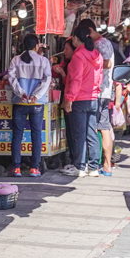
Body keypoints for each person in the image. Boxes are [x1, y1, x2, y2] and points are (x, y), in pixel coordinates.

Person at [7, 34, 52, 178]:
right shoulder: (43, 61)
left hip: (20, 102)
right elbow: (47, 80)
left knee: (17, 135)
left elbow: (11, 78)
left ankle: (16, 168)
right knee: (36, 134)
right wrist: (35, 96)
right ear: (37, 45)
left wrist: (22, 93)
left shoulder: (16, 60)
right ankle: (34, 168)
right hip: (36, 103)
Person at [61, 26, 102, 177]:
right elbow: (100, 77)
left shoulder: (78, 57)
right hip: (93, 98)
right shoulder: (97, 55)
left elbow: (75, 80)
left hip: (79, 99)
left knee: (79, 134)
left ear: (75, 39)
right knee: (92, 133)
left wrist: (69, 98)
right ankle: (93, 167)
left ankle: (79, 166)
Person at [77, 19, 116, 176]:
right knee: (102, 127)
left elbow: (106, 64)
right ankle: (104, 164)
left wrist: (89, 63)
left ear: (89, 31)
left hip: (101, 92)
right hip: (103, 92)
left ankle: (105, 164)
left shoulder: (100, 44)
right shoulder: (104, 42)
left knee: (101, 128)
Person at [53, 38, 77, 169]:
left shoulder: (74, 63)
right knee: (70, 131)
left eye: (67, 49)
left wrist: (62, 73)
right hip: (67, 99)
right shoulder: (66, 62)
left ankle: (75, 160)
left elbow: (72, 82)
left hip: (71, 100)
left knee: (73, 131)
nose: (64, 51)